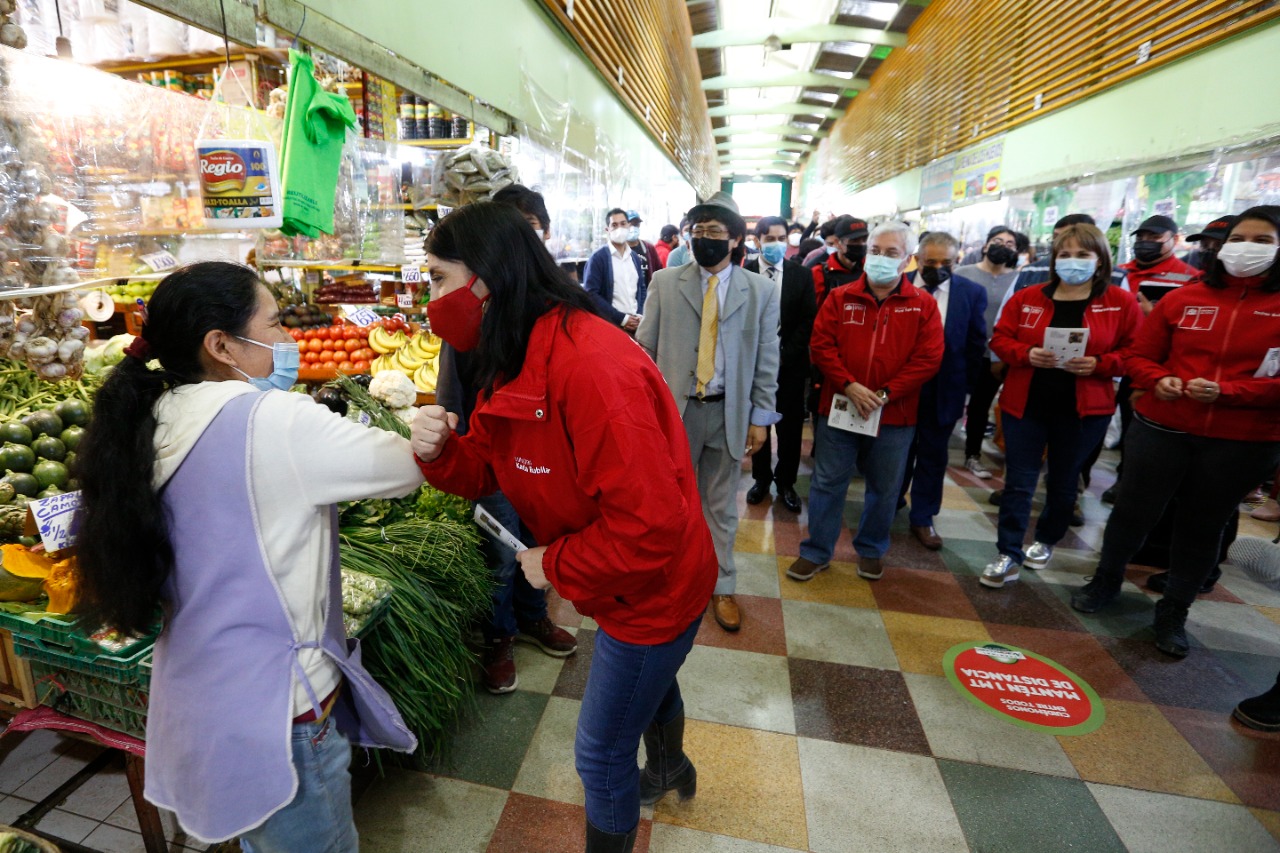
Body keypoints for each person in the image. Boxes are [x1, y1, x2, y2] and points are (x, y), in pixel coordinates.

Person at [75, 262, 420, 848]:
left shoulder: (146, 418)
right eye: (275, 323)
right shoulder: (273, 420)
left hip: (199, 698)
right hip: (279, 710)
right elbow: (408, 465)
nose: (287, 340)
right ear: (221, 345)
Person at [411, 202, 717, 853]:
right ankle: (668, 765)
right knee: (648, 682)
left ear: (485, 282)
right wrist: (440, 453)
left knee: (600, 753)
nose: (429, 297)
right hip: (620, 581)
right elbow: (495, 467)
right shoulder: (514, 348)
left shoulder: (592, 368)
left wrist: (553, 565)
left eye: (438, 278)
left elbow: (648, 528)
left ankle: (651, 780)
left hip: (654, 588)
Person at [1070, 206, 1280, 658]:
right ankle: (1106, 579)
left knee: (1203, 526)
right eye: (1239, 238)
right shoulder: (1185, 298)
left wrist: (1229, 392)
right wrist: (1155, 379)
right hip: (1162, 427)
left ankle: (1174, 610)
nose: (1246, 249)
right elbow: (1141, 356)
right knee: (1132, 510)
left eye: (1262, 241)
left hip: (1241, 440)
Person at [437, 186, 578, 694]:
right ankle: (499, 637)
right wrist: (448, 431)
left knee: (538, 540)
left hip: (539, 449)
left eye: (530, 228)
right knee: (500, 549)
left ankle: (532, 617)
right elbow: (452, 379)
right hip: (488, 445)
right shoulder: (469, 309)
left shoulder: (552, 308)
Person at [637, 192, 781, 633]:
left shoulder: (761, 291)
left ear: (736, 240)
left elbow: (766, 358)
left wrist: (761, 417)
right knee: (669, 501)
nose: (704, 240)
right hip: (675, 412)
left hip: (727, 411)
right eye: (697, 232)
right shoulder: (666, 281)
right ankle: (671, 579)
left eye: (714, 233)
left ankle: (722, 583)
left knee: (719, 505)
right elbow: (645, 348)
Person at [979, 224, 1142, 588]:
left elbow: (1136, 352)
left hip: (1085, 410)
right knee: (1019, 483)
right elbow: (1001, 338)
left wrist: (1101, 364)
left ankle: (1047, 539)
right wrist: (1026, 353)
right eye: (1064, 254)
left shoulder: (1119, 301)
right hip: (1027, 405)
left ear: (1100, 260)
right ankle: (1008, 552)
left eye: (1082, 254)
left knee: (1065, 481)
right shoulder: (1030, 297)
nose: (1072, 262)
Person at [786, 222, 944, 583]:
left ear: (907, 260)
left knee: (885, 487)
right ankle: (816, 551)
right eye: (875, 251)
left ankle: (871, 549)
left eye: (892, 253)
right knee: (827, 481)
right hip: (839, 407)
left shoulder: (922, 305)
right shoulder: (841, 297)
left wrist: (884, 395)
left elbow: (928, 358)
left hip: (894, 414)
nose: (880, 259)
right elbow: (822, 344)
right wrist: (849, 385)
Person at [900, 232, 988, 549]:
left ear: (956, 261)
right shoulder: (899, 284)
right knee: (893, 453)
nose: (938, 267)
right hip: (900, 388)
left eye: (946, 262)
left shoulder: (970, 293)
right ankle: (891, 503)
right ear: (917, 259)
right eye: (931, 262)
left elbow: (975, 345)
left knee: (933, 457)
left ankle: (923, 517)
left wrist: (965, 391)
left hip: (944, 389)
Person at [744, 215, 817, 513]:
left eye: (781, 238)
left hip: (790, 363)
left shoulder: (800, 275)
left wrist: (784, 353)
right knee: (758, 420)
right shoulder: (745, 273)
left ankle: (786, 482)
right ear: (758, 240)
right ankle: (760, 479)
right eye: (770, 238)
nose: (776, 244)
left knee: (788, 428)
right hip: (754, 364)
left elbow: (806, 319)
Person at [954, 227, 1022, 479]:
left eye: (1009, 243)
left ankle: (972, 454)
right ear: (985, 245)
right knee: (951, 399)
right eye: (997, 241)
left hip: (993, 355)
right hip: (961, 352)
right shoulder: (963, 274)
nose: (1003, 246)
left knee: (980, 406)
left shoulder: (1018, 279)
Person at [584, 208, 647, 333]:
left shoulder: (634, 257)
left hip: (636, 325)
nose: (620, 228)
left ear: (629, 226)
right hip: (612, 326)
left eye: (623, 224)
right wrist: (622, 319)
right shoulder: (598, 258)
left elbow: (641, 288)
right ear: (607, 230)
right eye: (614, 225)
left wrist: (640, 314)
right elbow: (591, 294)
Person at [626, 209, 662, 280]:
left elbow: (659, 269)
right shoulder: (618, 249)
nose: (633, 227)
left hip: (647, 290)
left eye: (636, 224)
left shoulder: (649, 248)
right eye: (630, 224)